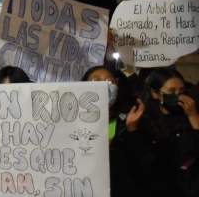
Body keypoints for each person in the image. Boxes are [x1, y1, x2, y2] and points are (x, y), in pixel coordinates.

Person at [118, 68, 199, 197]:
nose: (178, 95)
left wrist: (193, 116)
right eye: (171, 91)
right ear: (155, 94)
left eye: (182, 90)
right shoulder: (145, 122)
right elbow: (142, 164)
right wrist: (133, 129)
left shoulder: (189, 117)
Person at [81, 65, 138, 197]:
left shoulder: (130, 116)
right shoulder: (72, 119)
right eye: (96, 81)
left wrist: (133, 130)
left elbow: (139, 164)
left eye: (109, 81)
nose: (104, 85)